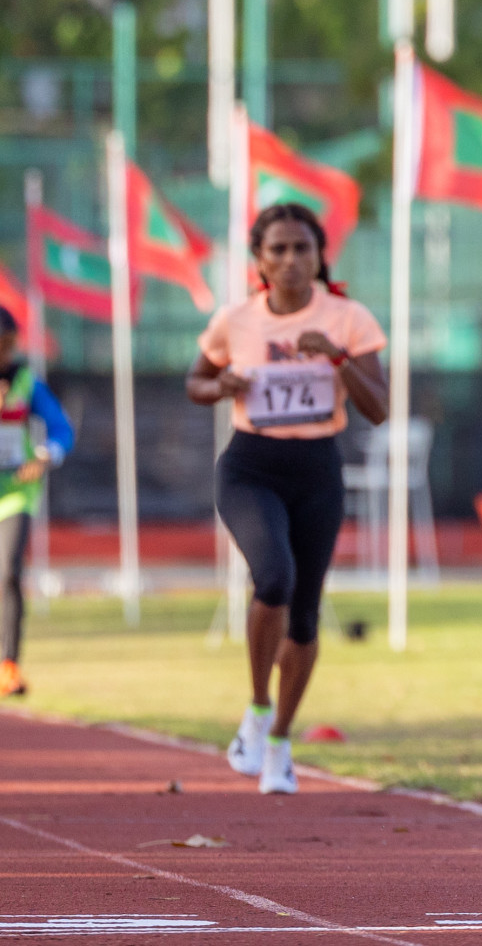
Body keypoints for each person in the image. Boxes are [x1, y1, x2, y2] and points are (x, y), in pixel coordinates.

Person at [186, 203, 387, 794]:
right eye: (278, 249)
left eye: (302, 248)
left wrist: (336, 356)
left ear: (320, 256)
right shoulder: (236, 321)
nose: (292, 260)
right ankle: (255, 706)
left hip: (317, 470)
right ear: (259, 261)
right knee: (273, 576)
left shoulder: (348, 318)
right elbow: (194, 382)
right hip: (251, 465)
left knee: (304, 613)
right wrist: (220, 384)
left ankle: (279, 741)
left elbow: (377, 408)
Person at [0, 308, 75, 697]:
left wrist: (45, 455)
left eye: (9, 346)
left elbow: (62, 428)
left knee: (8, 573)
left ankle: (9, 667)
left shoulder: (26, 382)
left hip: (14, 492)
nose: (5, 355)